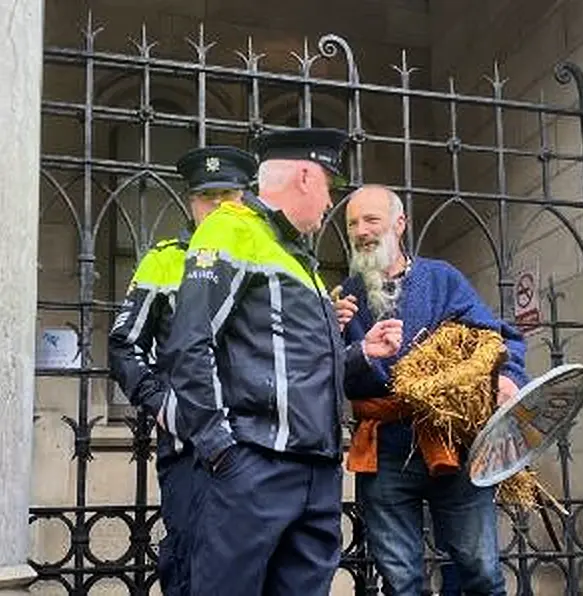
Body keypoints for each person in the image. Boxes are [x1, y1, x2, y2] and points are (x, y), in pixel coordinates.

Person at [164, 128, 403, 596]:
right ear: (306, 177)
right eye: (330, 188)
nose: (329, 204)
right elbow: (190, 343)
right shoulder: (232, 227)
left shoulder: (299, 257)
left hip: (315, 471)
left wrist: (358, 353)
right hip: (256, 466)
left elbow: (302, 364)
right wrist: (219, 448)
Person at [333, 184, 529, 595]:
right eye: (353, 223)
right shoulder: (344, 298)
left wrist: (507, 378)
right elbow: (328, 376)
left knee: (479, 568)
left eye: (372, 219)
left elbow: (495, 338)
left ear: (399, 224)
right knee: (401, 580)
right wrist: (343, 344)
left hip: (452, 440)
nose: (361, 231)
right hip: (384, 449)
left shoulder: (441, 279)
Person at [108, 145, 257, 595]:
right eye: (205, 196)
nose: (215, 206)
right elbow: (124, 346)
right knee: (193, 566)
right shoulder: (165, 259)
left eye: (226, 195)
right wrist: (167, 408)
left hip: (261, 443)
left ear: (244, 200)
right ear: (191, 201)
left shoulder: (263, 258)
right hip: (192, 448)